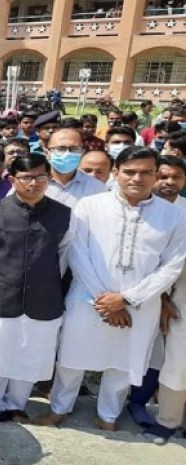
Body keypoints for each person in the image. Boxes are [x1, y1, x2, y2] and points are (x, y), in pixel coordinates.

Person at [35, 146, 186, 431]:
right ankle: (59, 409)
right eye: (129, 172)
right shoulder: (90, 206)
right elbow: (78, 254)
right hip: (88, 297)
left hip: (141, 304)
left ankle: (108, 416)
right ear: (115, 173)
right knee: (71, 357)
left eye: (145, 172)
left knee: (123, 362)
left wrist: (127, 299)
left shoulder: (175, 216)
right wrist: (104, 300)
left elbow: (171, 266)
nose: (137, 178)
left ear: (155, 175)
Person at [0, 154, 71, 423]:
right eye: (26, 177)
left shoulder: (63, 214)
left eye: (40, 177)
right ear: (12, 179)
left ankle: (17, 405)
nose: (34, 183)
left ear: (49, 178)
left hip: (44, 299)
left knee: (31, 355)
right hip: (1, 297)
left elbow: (66, 257)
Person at [142, 156, 186, 444]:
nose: (170, 183)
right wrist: (163, 299)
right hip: (175, 299)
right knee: (175, 363)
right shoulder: (147, 210)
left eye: (177, 177)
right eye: (164, 176)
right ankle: (168, 421)